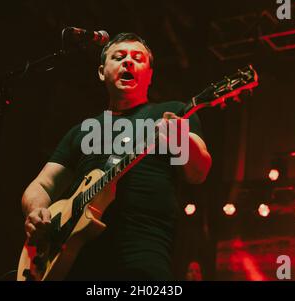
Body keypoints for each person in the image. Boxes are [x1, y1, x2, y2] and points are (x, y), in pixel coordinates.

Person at [21, 33, 212, 280]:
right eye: (119, 57)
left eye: (138, 58)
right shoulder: (82, 130)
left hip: (142, 255)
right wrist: (36, 211)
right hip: (74, 258)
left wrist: (182, 140)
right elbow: (42, 185)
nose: (128, 62)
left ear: (150, 74)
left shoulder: (173, 112)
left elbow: (198, 172)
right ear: (101, 72)